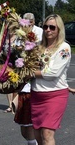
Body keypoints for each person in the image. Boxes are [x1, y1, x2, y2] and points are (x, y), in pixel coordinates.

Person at [30, 14, 71, 145]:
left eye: (52, 27)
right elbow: (27, 64)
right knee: (37, 135)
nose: (48, 30)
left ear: (59, 29)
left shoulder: (64, 48)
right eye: (45, 26)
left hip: (55, 95)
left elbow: (52, 73)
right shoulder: (37, 47)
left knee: (47, 134)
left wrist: (30, 72)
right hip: (36, 95)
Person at [13, 12, 43, 145]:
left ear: (33, 22)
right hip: (21, 84)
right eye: (23, 23)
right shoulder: (20, 34)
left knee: (31, 124)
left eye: (28, 23)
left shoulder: (40, 33)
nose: (26, 25)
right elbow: (15, 50)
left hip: (34, 85)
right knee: (24, 127)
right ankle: (33, 143)